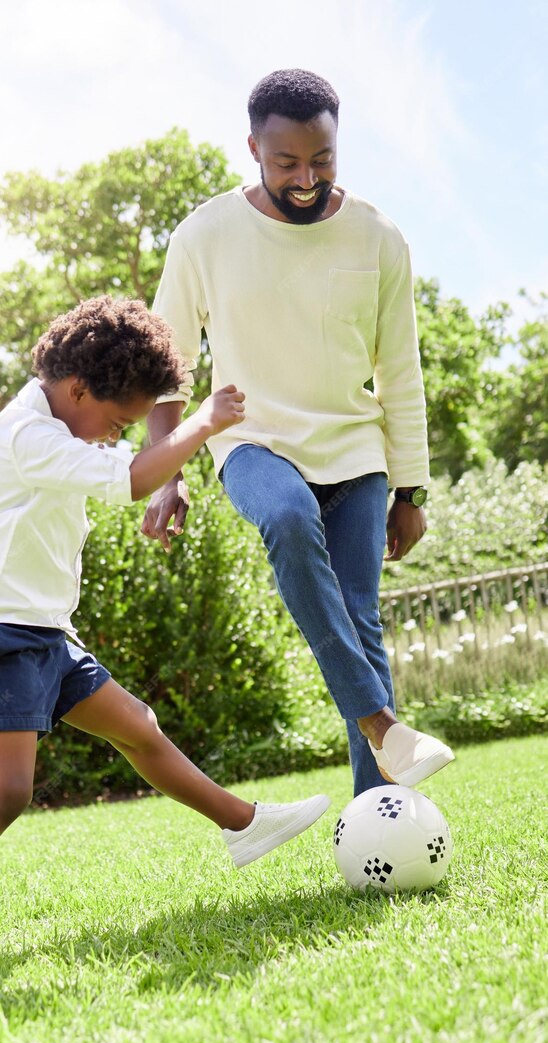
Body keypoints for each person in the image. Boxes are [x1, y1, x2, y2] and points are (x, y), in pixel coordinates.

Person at [0, 295, 332, 981]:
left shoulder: (58, 422)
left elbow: (126, 474)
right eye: (116, 423)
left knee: (137, 724)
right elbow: (131, 479)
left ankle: (243, 824)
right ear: (76, 388)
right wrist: (202, 420)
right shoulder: (29, 431)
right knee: (5, 791)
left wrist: (161, 468)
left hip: (41, 631)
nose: (116, 437)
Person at [141, 68, 455, 797]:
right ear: (253, 147)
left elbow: (400, 371)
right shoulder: (205, 235)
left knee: (360, 623)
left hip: (355, 453)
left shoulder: (379, 237)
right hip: (254, 442)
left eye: (323, 160)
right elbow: (166, 366)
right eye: (287, 163)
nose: (307, 179)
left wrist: (411, 487)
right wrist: (168, 471)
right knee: (285, 515)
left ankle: (381, 814)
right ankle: (384, 727)